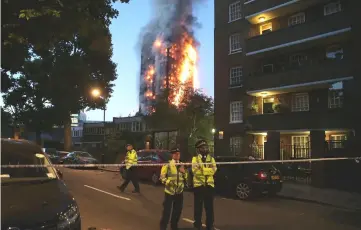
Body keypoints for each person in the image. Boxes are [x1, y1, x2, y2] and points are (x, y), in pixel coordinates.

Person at [159, 148, 188, 230]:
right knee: (167, 211)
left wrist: (184, 172)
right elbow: (162, 178)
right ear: (172, 155)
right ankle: (163, 227)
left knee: (177, 211)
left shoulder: (182, 164)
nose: (177, 155)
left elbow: (186, 178)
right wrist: (169, 182)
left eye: (178, 153)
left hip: (179, 192)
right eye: (175, 154)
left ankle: (174, 226)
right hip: (169, 192)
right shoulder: (167, 164)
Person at [192, 140, 217, 230]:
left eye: (206, 147)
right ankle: (197, 224)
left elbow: (214, 170)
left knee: (209, 208)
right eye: (203, 148)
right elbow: (196, 172)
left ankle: (210, 225)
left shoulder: (211, 158)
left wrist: (203, 169)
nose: (205, 149)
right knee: (198, 208)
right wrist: (207, 171)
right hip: (199, 186)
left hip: (209, 186)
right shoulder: (195, 159)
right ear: (198, 149)